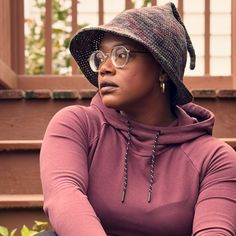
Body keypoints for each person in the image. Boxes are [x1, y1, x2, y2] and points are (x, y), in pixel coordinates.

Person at [39, 2, 236, 236]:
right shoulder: (77, 125)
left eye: (121, 55)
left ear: (162, 69)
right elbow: (63, 196)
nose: (104, 68)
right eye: (101, 57)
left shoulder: (214, 158)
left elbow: (214, 231)